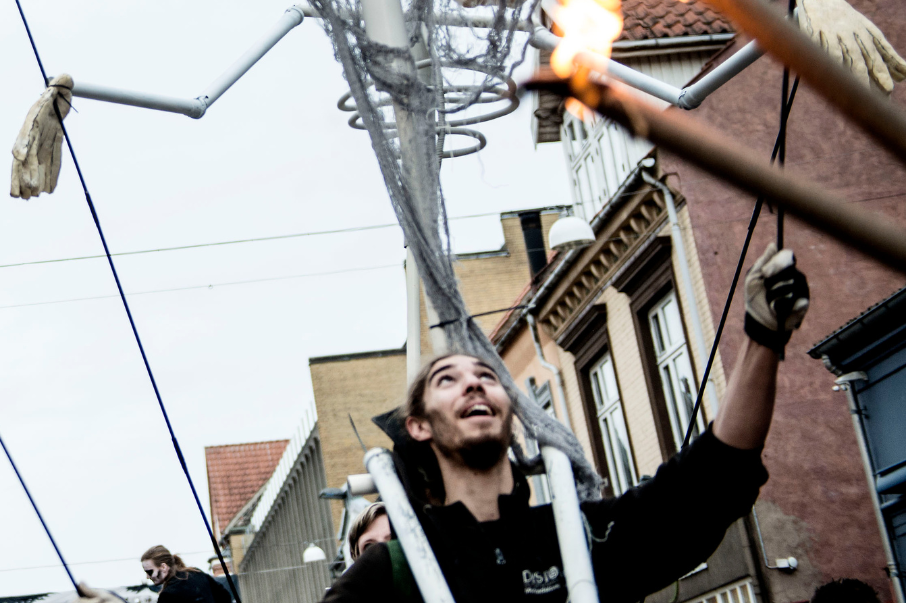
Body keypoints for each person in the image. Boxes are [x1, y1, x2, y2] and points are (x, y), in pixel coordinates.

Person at [322, 241, 810, 602]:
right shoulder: (393, 573)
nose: (474, 384)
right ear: (419, 426)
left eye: (487, 377)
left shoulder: (579, 537)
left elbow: (713, 480)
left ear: (509, 409)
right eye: (448, 380)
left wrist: (762, 336)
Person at [140, 546, 232, 603]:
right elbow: (225, 596)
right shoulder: (196, 573)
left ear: (164, 567)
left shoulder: (168, 595)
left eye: (149, 572)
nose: (147, 577)